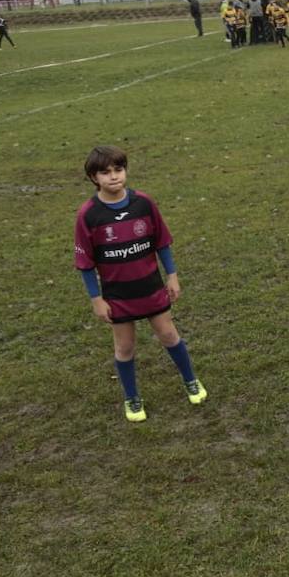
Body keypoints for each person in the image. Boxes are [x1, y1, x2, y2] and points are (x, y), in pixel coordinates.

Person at [73, 145, 207, 423]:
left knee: (169, 335)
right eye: (105, 173)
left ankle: (191, 380)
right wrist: (95, 298)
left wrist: (172, 275)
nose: (113, 177)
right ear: (93, 178)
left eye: (118, 170)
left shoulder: (143, 203)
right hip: (118, 295)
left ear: (126, 171)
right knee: (125, 348)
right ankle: (132, 397)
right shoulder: (88, 215)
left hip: (151, 287)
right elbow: (85, 262)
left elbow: (163, 242)